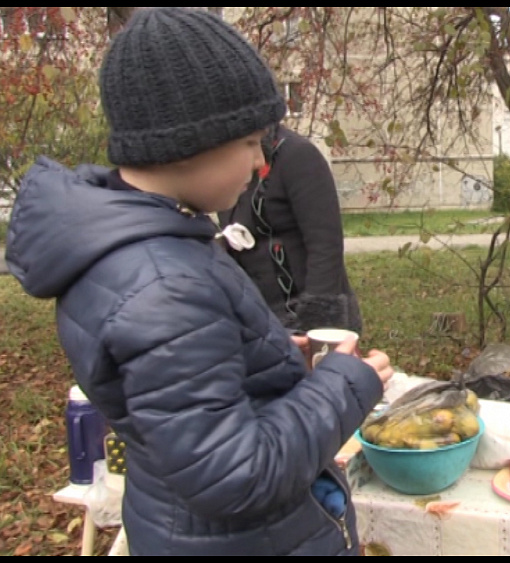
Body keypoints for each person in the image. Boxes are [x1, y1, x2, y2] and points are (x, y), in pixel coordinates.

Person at [3, 7, 392, 556]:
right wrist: (347, 383)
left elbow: (171, 397)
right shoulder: (164, 282)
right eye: (251, 142)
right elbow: (235, 474)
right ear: (193, 142)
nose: (261, 163)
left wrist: (269, 353)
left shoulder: (138, 250)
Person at [217, 124, 363, 335]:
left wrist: (318, 324)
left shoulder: (297, 155)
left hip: (303, 310)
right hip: (257, 313)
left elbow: (325, 243)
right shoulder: (225, 157)